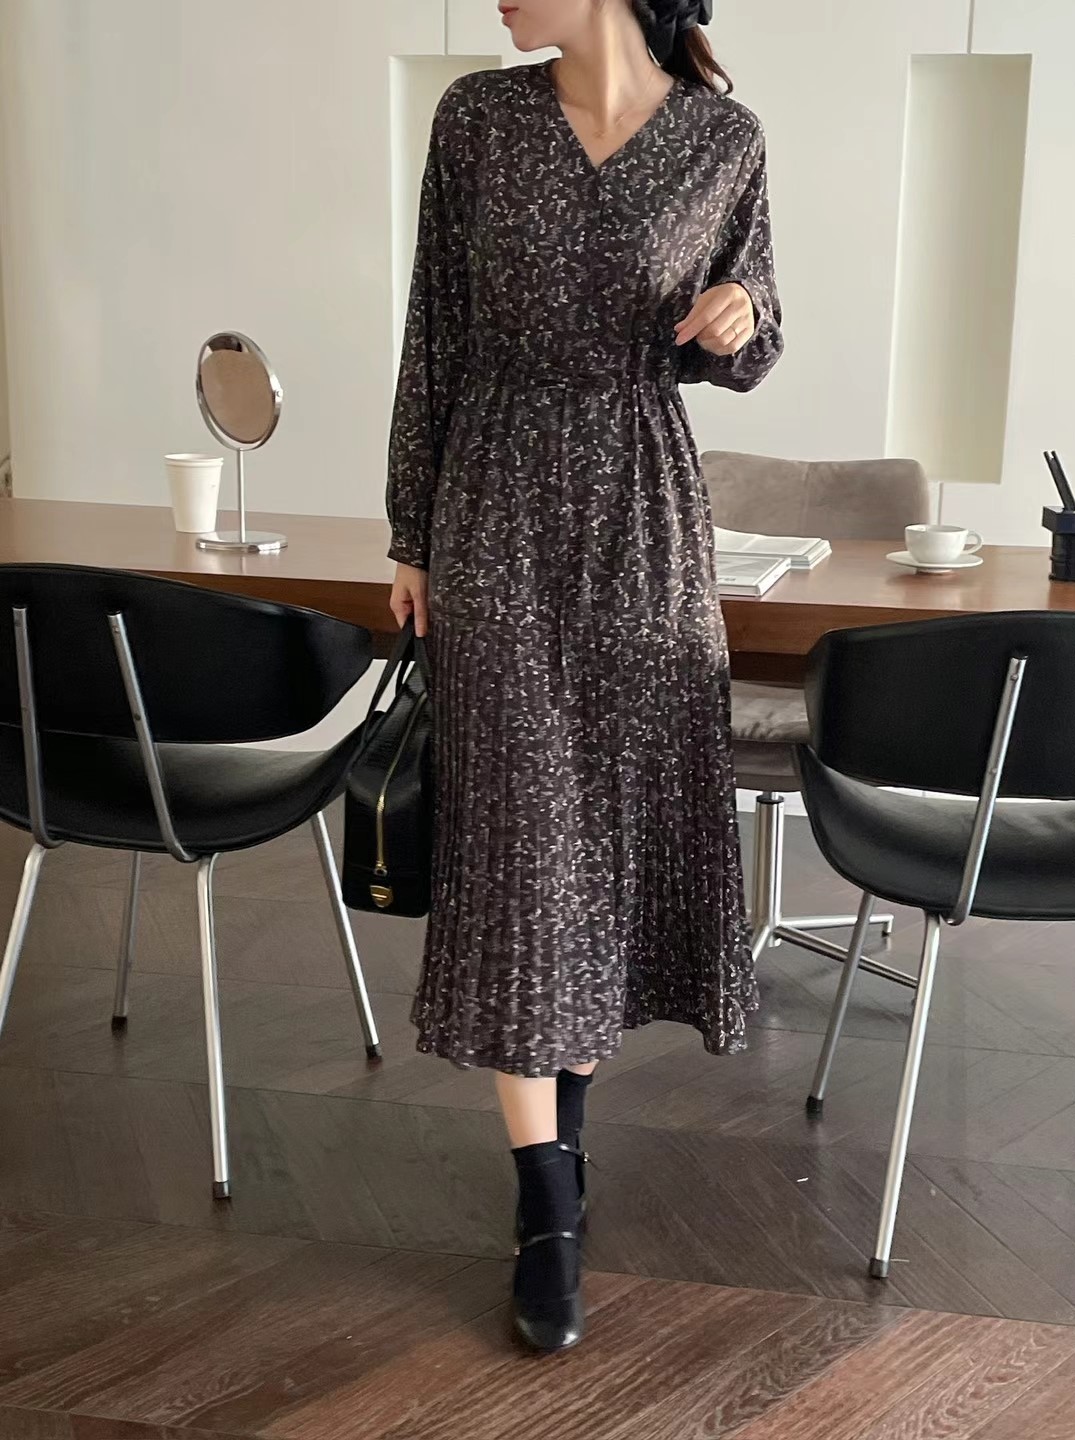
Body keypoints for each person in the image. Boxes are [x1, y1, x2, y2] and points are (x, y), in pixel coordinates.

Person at [385, 0, 783, 1353]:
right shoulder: (478, 121)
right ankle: (546, 1202)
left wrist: (739, 320)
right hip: (496, 502)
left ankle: (567, 1130)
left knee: (602, 845)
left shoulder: (724, 139)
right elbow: (434, 331)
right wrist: (409, 532)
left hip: (644, 515)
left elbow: (756, 340)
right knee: (517, 845)